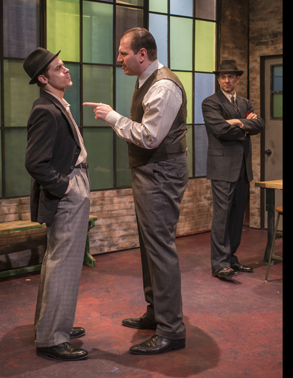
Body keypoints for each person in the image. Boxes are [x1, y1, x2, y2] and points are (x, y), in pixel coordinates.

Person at [83, 27, 188, 355]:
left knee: (160, 247)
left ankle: (172, 329)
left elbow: (150, 137)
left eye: (123, 53)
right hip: (151, 171)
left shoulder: (163, 86)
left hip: (161, 172)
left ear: (142, 54)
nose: (119, 59)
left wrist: (113, 117)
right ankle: (157, 312)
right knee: (149, 244)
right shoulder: (145, 80)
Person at [23, 47, 91, 361]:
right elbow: (35, 163)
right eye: (58, 68)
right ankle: (52, 338)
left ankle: (53, 325)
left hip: (73, 184)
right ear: (43, 78)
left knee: (61, 262)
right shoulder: (45, 109)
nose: (66, 70)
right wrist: (66, 188)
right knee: (62, 263)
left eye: (63, 65)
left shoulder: (57, 104)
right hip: (67, 190)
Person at [201, 60, 265, 280]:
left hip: (242, 168)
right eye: (222, 77)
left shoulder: (245, 102)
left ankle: (230, 259)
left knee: (237, 216)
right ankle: (219, 264)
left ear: (237, 79)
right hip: (222, 168)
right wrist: (245, 125)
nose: (226, 80)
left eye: (230, 76)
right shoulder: (210, 103)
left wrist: (236, 122)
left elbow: (260, 125)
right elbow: (220, 129)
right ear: (219, 79)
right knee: (222, 216)